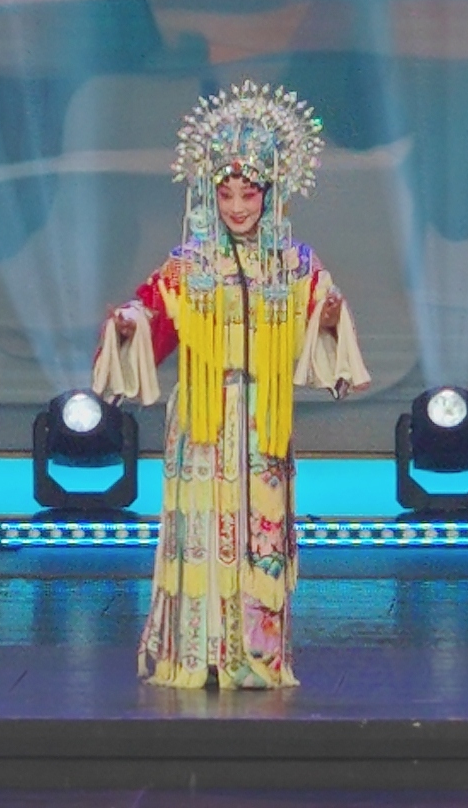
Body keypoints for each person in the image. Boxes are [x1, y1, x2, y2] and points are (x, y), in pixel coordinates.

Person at [92, 80, 369, 690]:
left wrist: (327, 319)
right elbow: (151, 315)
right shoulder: (188, 265)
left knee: (260, 537)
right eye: (225, 193)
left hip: (263, 421)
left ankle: (257, 659)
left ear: (271, 192)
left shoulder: (295, 264)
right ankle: (198, 656)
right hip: (204, 422)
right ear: (208, 193)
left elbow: (323, 326)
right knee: (203, 538)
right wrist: (129, 325)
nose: (238, 206)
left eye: (249, 193)